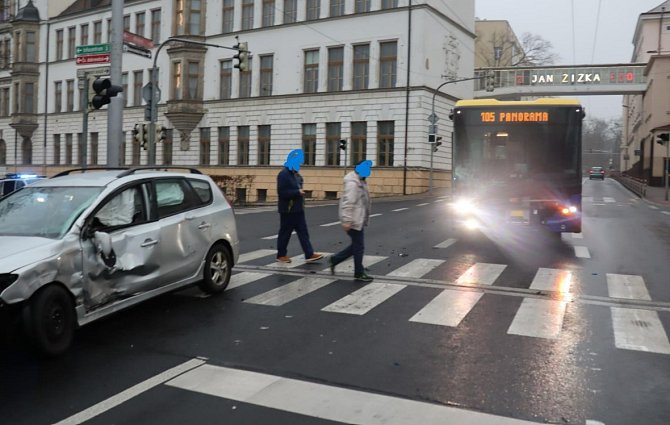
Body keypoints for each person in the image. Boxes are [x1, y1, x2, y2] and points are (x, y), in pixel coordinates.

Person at [276, 149, 324, 263]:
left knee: (303, 232)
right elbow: (281, 192)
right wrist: (297, 192)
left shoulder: (296, 175)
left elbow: (297, 187)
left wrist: (300, 192)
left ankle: (309, 253)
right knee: (285, 233)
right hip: (288, 210)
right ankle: (281, 255)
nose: (300, 164)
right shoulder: (283, 174)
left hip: (298, 209)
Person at [329, 160, 373, 282]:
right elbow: (348, 203)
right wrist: (347, 221)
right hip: (353, 219)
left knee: (356, 245)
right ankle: (358, 272)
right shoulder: (353, 184)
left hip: (358, 218)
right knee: (359, 246)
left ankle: (336, 259)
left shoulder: (361, 181)